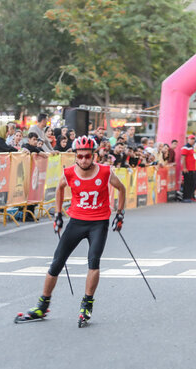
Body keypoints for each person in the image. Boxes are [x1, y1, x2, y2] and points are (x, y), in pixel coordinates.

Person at [22, 136, 126, 324]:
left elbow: (122, 188)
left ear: (93, 155)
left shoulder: (105, 172)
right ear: (75, 156)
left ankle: (87, 304)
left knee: (93, 261)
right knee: (56, 262)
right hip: (76, 222)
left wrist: (120, 214)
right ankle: (42, 306)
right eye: (80, 156)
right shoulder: (69, 173)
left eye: (88, 156)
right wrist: (58, 214)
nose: (84, 160)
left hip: (98, 223)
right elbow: (59, 189)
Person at [181, 135, 196, 202]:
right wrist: (184, 168)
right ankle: (186, 197)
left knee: (193, 183)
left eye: (194, 139)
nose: (193, 140)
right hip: (187, 169)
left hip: (193, 169)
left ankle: (190, 196)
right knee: (187, 184)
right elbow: (183, 158)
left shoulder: (192, 148)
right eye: (191, 139)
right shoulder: (185, 148)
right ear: (188, 140)